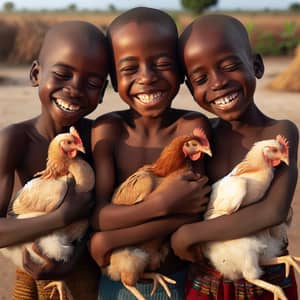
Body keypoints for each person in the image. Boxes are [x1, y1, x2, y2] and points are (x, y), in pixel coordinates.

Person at [170, 14, 299, 299]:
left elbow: (272, 212)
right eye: (201, 78)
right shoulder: (202, 138)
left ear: (257, 65)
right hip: (205, 283)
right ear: (191, 90)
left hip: (268, 282)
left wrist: (188, 235)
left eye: (229, 66)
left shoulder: (279, 131)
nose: (217, 83)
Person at [89, 7, 212, 300]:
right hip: (117, 284)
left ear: (181, 72)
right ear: (113, 77)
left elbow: (196, 211)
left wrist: (108, 240)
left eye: (162, 63)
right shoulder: (108, 130)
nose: (147, 77)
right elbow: (98, 215)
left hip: (177, 278)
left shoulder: (192, 127)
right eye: (130, 68)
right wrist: (161, 204)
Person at [0, 20, 109, 299]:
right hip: (29, 268)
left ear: (103, 92)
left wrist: (77, 251)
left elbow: (103, 212)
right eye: (62, 74)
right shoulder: (15, 140)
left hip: (83, 269)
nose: (74, 88)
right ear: (36, 73)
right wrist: (62, 216)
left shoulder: (97, 138)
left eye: (92, 82)